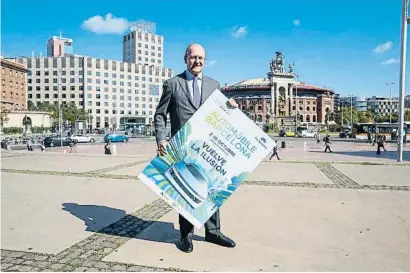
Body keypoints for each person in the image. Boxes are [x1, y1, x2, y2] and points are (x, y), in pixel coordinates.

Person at [154, 43, 238, 253]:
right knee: (185, 191)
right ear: (185, 59)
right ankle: (185, 235)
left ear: (205, 60)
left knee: (211, 188)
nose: (197, 61)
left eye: (201, 58)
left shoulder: (214, 85)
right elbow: (160, 114)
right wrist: (162, 139)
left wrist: (232, 107)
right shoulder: (173, 84)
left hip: (208, 147)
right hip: (181, 148)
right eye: (193, 57)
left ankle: (213, 232)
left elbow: (221, 113)